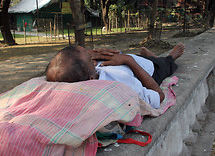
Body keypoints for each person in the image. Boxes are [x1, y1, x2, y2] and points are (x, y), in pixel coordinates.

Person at [45, 44, 184, 109]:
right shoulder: (119, 83)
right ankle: (170, 56)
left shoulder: (86, 74)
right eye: (89, 56)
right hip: (148, 70)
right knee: (166, 65)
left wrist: (96, 57)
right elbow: (158, 96)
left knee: (143, 58)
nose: (93, 54)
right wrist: (129, 60)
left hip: (131, 61)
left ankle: (152, 56)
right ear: (91, 78)